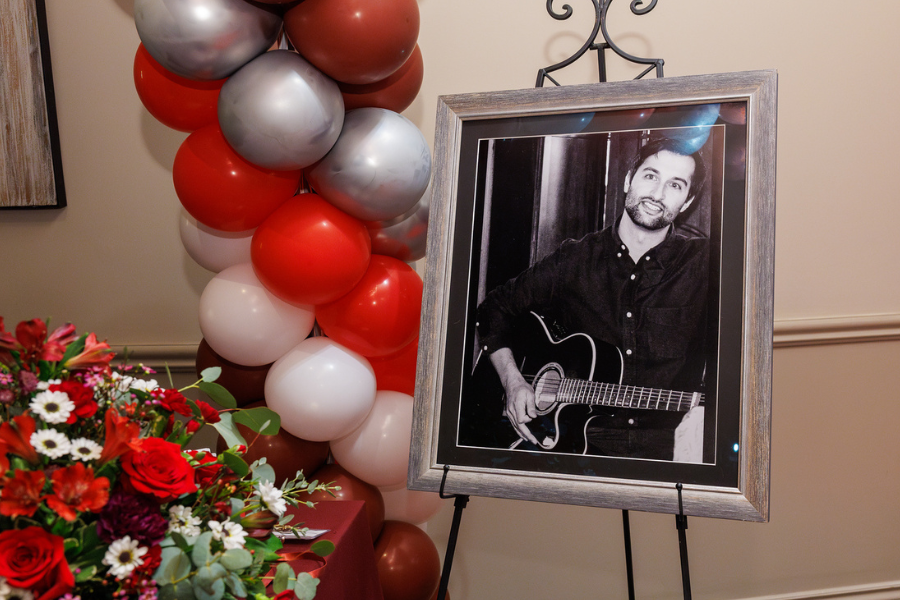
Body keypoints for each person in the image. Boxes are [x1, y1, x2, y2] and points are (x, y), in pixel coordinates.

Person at [474, 134, 711, 461]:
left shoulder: (705, 265)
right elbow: (492, 310)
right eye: (651, 175)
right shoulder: (574, 258)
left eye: (675, 185)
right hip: (574, 445)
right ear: (629, 179)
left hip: (663, 448)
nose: (657, 194)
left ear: (686, 202)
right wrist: (513, 381)